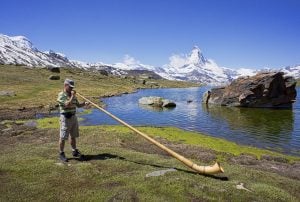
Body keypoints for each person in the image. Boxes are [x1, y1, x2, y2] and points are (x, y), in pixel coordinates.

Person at [57, 78, 89, 162]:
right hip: (65, 118)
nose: (72, 88)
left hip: (73, 117)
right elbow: (67, 104)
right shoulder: (61, 95)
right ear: (65, 85)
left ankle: (74, 151)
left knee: (73, 135)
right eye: (70, 87)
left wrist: (84, 104)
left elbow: (78, 105)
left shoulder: (73, 96)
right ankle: (61, 153)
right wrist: (72, 96)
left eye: (72, 87)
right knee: (63, 137)